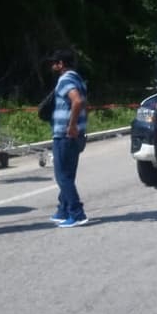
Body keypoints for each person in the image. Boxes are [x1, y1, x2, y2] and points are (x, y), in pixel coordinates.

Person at [49, 50, 90, 228]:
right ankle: (63, 209)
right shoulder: (78, 78)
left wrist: (72, 125)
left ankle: (77, 213)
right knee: (68, 175)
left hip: (65, 134)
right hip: (75, 134)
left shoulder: (65, 79)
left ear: (61, 64)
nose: (52, 66)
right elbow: (85, 104)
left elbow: (78, 101)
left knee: (62, 176)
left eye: (54, 62)